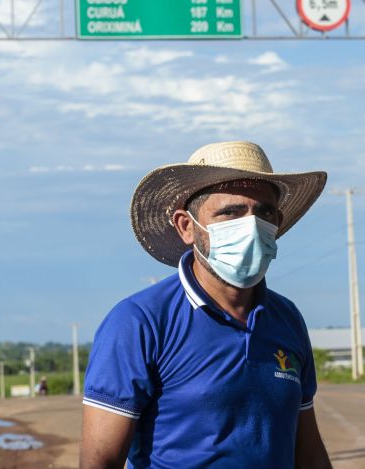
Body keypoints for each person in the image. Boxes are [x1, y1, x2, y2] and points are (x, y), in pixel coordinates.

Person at [80, 141, 332, 468]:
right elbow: (100, 460)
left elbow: (309, 454)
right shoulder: (139, 322)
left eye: (264, 212)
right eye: (231, 212)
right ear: (187, 226)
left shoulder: (286, 318)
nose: (252, 226)